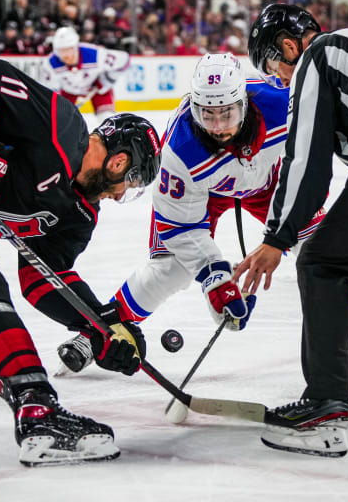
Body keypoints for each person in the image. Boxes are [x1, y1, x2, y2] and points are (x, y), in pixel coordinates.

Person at [0, 58, 161, 466]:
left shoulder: (79, 216)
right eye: (129, 183)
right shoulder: (60, 125)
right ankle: (37, 408)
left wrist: (99, 324)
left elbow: (44, 277)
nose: (119, 196)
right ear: (120, 162)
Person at [55, 52, 326, 376]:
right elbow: (181, 229)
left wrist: (283, 234)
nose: (218, 128)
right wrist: (216, 281)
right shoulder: (180, 150)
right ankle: (95, 333)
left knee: (328, 252)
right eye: (206, 115)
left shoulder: (282, 105)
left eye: (227, 114)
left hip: (267, 185)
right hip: (204, 194)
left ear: (245, 102)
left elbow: (321, 145)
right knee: (170, 268)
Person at [232, 3, 348, 457]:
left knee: (324, 264)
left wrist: (277, 238)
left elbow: (306, 161)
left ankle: (325, 410)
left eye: (273, 66)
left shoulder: (318, 56)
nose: (279, 80)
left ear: (289, 46)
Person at [38, 26, 130, 124]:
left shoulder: (95, 54)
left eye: (68, 49)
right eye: (61, 51)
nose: (65, 55)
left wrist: (106, 80)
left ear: (75, 46)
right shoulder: (50, 63)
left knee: (107, 121)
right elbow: (49, 91)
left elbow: (124, 60)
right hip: (69, 91)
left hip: (96, 89)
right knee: (59, 123)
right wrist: (60, 107)